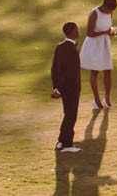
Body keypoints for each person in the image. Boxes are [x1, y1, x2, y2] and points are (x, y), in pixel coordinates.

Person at [79, 0, 117, 109]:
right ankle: (96, 100)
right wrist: (104, 32)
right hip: (94, 45)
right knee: (95, 72)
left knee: (108, 71)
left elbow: (109, 28)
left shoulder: (110, 12)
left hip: (104, 44)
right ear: (104, 6)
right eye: (109, 10)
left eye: (112, 11)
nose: (110, 12)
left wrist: (115, 32)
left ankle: (107, 98)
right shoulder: (94, 13)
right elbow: (89, 33)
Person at [50, 21, 82, 153]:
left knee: (67, 114)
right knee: (71, 115)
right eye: (77, 29)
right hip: (71, 88)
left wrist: (56, 88)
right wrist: (62, 88)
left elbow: (55, 69)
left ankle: (61, 141)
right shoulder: (71, 50)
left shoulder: (60, 47)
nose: (79, 31)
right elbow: (69, 72)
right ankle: (67, 144)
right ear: (72, 32)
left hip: (63, 88)